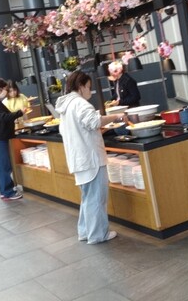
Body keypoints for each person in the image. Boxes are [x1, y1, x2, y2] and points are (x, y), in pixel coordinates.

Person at [55, 70, 125, 244]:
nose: (90, 91)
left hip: (78, 158)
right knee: (96, 198)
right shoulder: (80, 103)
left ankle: (85, 231)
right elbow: (94, 122)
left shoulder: (66, 106)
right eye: (88, 87)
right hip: (90, 157)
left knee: (88, 197)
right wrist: (116, 116)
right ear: (80, 86)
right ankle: (98, 234)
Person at [0, 78, 28, 201]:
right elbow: (4, 117)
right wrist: (19, 113)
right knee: (4, 165)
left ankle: (5, 191)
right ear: (0, 90)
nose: (7, 92)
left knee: (2, 165)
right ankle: (8, 192)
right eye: (5, 89)